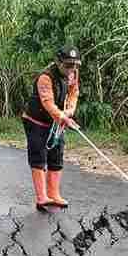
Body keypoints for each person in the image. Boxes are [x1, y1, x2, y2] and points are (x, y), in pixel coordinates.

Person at [23, 46, 81, 211]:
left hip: (56, 122)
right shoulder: (45, 77)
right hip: (36, 121)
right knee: (39, 156)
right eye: (68, 65)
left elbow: (73, 93)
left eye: (75, 65)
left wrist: (69, 111)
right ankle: (42, 197)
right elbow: (47, 103)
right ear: (58, 62)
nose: (72, 69)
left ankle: (54, 194)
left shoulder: (73, 75)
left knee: (57, 155)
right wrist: (63, 118)